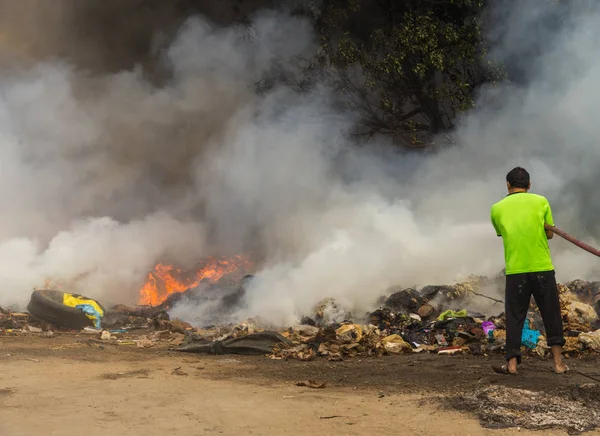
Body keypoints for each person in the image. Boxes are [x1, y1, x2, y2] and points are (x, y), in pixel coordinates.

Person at [490, 167, 568, 375]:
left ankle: (512, 365)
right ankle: (559, 364)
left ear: (508, 185)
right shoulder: (541, 201)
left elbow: (503, 232)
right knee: (551, 314)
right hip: (542, 268)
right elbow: (549, 234)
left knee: (515, 316)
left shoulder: (497, 208)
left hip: (516, 271)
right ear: (529, 185)